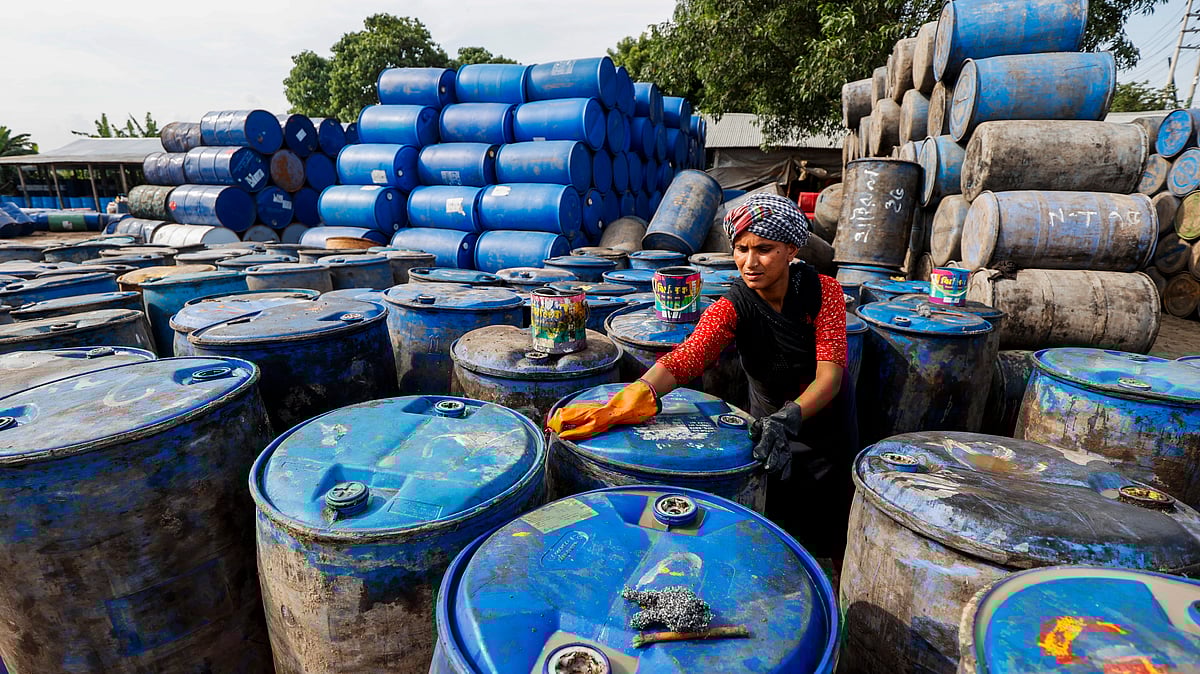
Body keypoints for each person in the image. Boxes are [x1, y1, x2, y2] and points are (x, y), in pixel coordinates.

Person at [548, 193, 859, 559]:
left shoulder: (824, 292)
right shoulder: (733, 305)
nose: (750, 262)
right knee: (774, 533)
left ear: (791, 250)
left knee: (829, 532)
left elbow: (830, 377)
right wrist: (628, 399)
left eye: (764, 249)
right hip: (767, 428)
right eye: (741, 249)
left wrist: (788, 417)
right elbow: (688, 357)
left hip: (825, 428)